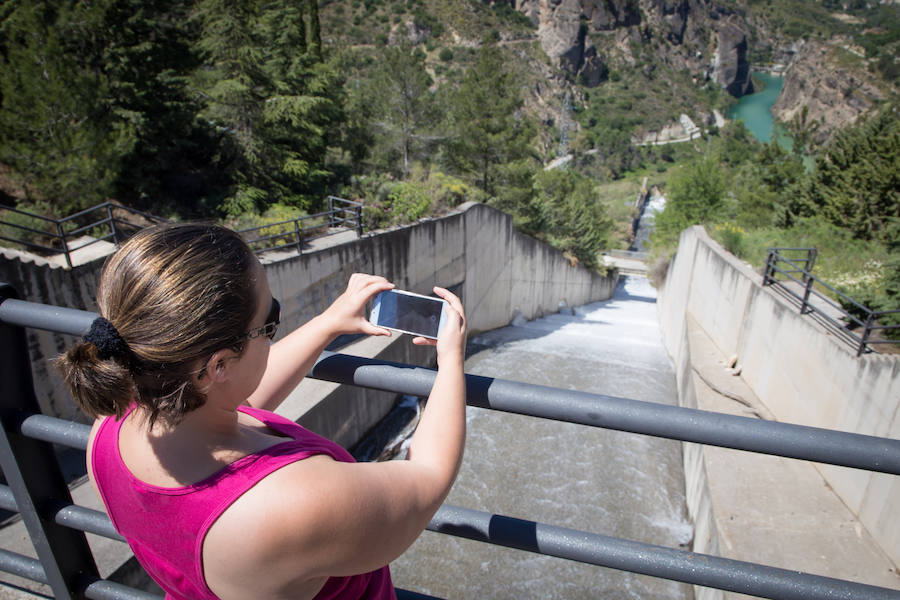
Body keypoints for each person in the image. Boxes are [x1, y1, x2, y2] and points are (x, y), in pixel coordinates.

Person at [55, 223, 467, 600]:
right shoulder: (286, 507)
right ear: (218, 366)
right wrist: (450, 360)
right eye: (270, 321)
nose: (275, 332)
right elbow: (427, 477)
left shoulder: (112, 427)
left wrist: (326, 324)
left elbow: (234, 401)